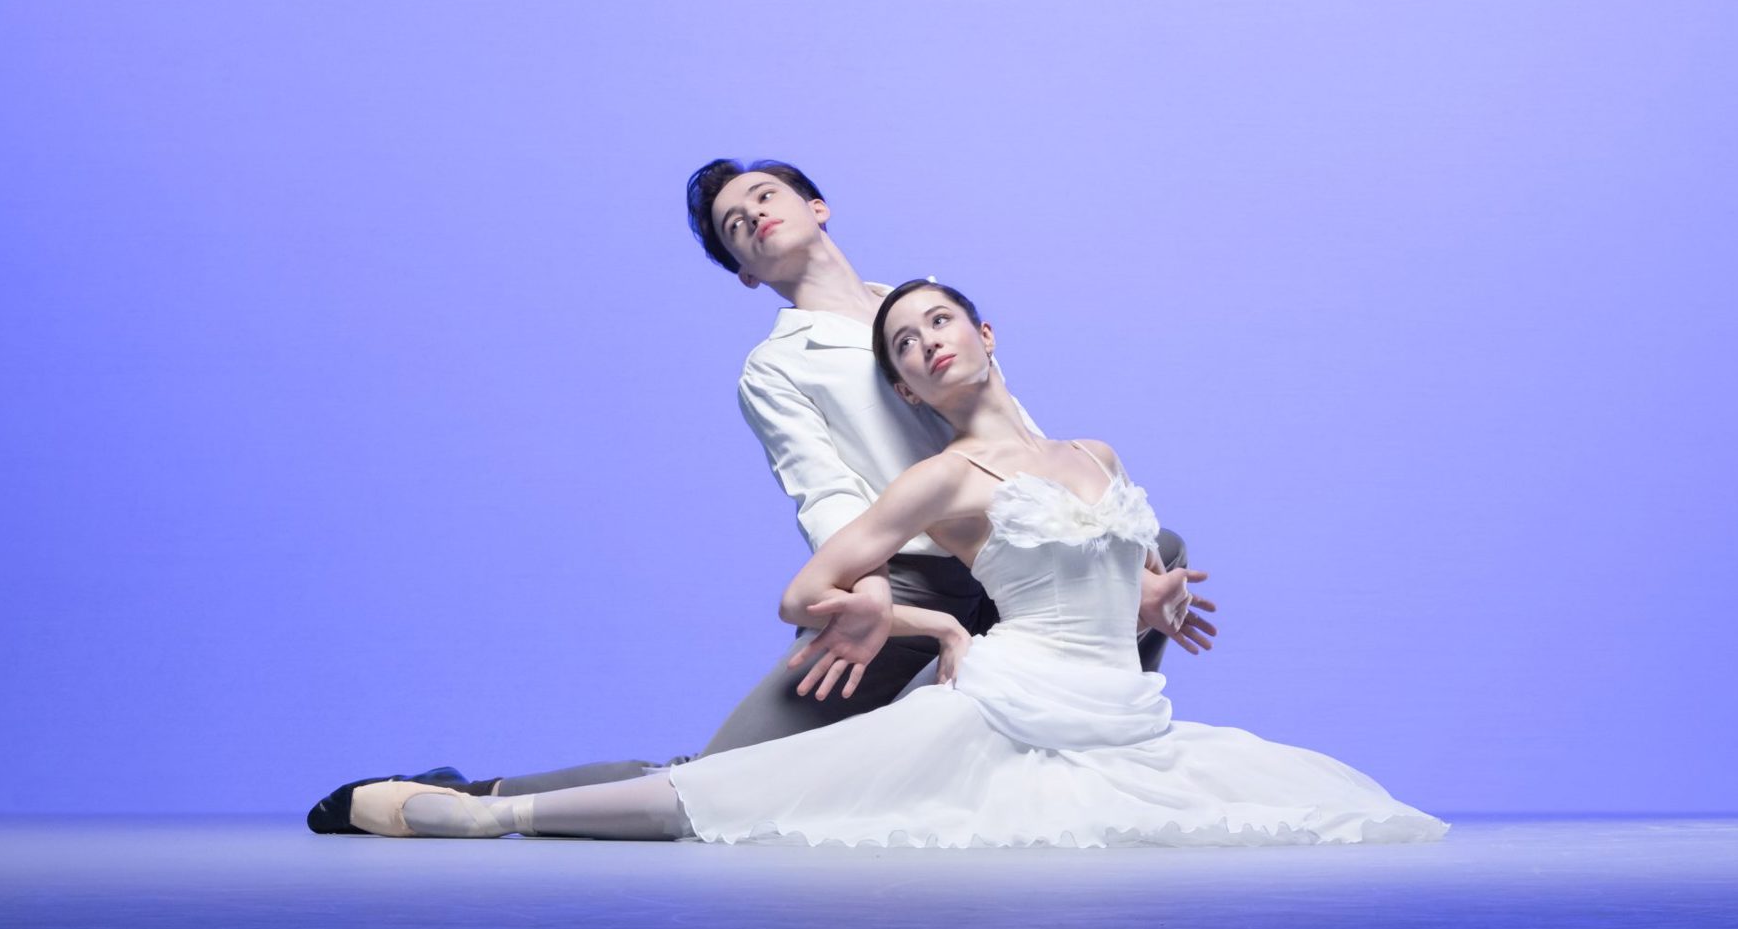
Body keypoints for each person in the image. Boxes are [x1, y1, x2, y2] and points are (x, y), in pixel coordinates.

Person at [342, 280, 1444, 851]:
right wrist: (930, 629)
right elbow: (803, 590)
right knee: (742, 791)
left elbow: (1103, 564)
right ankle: (485, 816)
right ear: (910, 394)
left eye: (939, 324)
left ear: (987, 330)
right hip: (1008, 705)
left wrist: (1146, 592)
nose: (926, 344)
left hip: (1122, 721)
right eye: (907, 347)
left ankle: (499, 806)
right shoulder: (944, 481)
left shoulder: (1093, 452)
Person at [307, 160, 1211, 828]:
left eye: (763, 199)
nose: (752, 218)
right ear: (744, 272)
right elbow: (825, 492)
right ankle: (478, 797)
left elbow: (1016, 441)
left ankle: (1081, 773)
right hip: (905, 575)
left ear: (816, 208)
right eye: (734, 227)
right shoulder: (774, 368)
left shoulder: (922, 304)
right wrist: (867, 595)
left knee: (1153, 542)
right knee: (724, 781)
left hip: (1015, 571)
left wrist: (1124, 572)